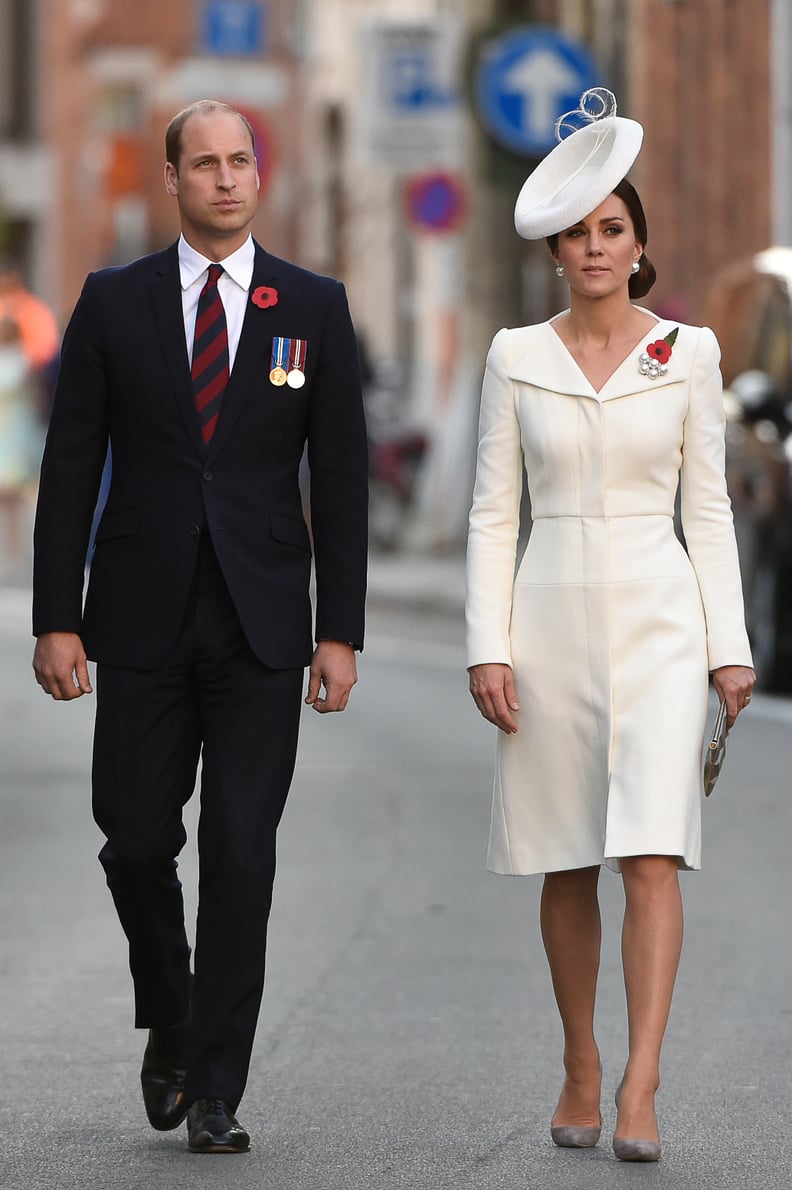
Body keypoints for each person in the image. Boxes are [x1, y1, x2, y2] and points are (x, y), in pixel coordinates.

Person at [32, 99, 368, 1154]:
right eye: (206, 164)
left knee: (241, 852)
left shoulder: (311, 305)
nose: (227, 179)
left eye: (241, 162)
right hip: (139, 614)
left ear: (257, 175)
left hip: (264, 622)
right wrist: (57, 618)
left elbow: (345, 478)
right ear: (171, 180)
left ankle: (216, 1083)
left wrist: (341, 629)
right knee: (134, 835)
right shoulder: (113, 302)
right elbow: (72, 464)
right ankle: (173, 1011)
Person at [465, 89, 754, 1164]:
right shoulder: (513, 354)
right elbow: (495, 510)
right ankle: (580, 1057)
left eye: (613, 230)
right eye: (579, 233)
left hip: (663, 620)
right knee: (565, 856)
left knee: (650, 852)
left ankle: (640, 1081)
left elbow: (710, 506)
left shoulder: (691, 351)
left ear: (639, 248)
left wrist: (729, 643)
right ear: (556, 248)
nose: (595, 247)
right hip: (545, 621)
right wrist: (484, 644)